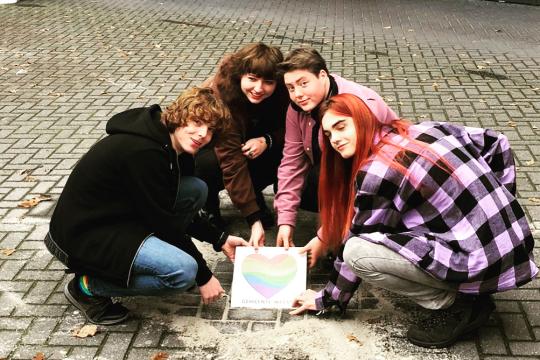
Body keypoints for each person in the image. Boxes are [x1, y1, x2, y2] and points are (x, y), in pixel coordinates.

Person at [290, 93, 538, 348]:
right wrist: (499, 205)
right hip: (513, 244)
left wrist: (328, 300)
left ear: (364, 120)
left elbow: (357, 236)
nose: (336, 140)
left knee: (357, 254)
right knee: (397, 220)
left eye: (341, 127)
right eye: (329, 134)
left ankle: (457, 304)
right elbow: (497, 142)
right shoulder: (423, 128)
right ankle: (466, 285)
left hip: (482, 262)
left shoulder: (376, 171)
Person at [45, 87, 249, 325]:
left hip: (120, 215)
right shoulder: (144, 152)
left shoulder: (174, 146)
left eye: (211, 129)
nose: (203, 134)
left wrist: (220, 238)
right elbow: (163, 222)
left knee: (195, 189)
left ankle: (147, 258)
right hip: (84, 234)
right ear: (179, 116)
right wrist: (203, 276)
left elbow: (164, 210)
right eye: (197, 122)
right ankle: (88, 287)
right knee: (183, 272)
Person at [274, 47, 397, 249]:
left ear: (322, 75)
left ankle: (348, 236)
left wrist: (324, 237)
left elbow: (359, 181)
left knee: (349, 248)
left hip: (379, 176)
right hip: (335, 167)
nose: (298, 94)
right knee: (292, 184)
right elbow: (291, 161)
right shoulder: (296, 109)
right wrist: (285, 221)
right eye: (291, 87)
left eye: (304, 84)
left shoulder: (357, 104)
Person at [195, 42, 289, 247]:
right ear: (240, 76)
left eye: (268, 82)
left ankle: (253, 196)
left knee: (278, 155)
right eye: (252, 79)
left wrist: (267, 140)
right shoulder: (222, 96)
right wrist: (253, 221)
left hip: (253, 143)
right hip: (216, 147)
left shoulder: (285, 92)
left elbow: (293, 130)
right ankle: (208, 204)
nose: (258, 88)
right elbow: (231, 159)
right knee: (206, 163)